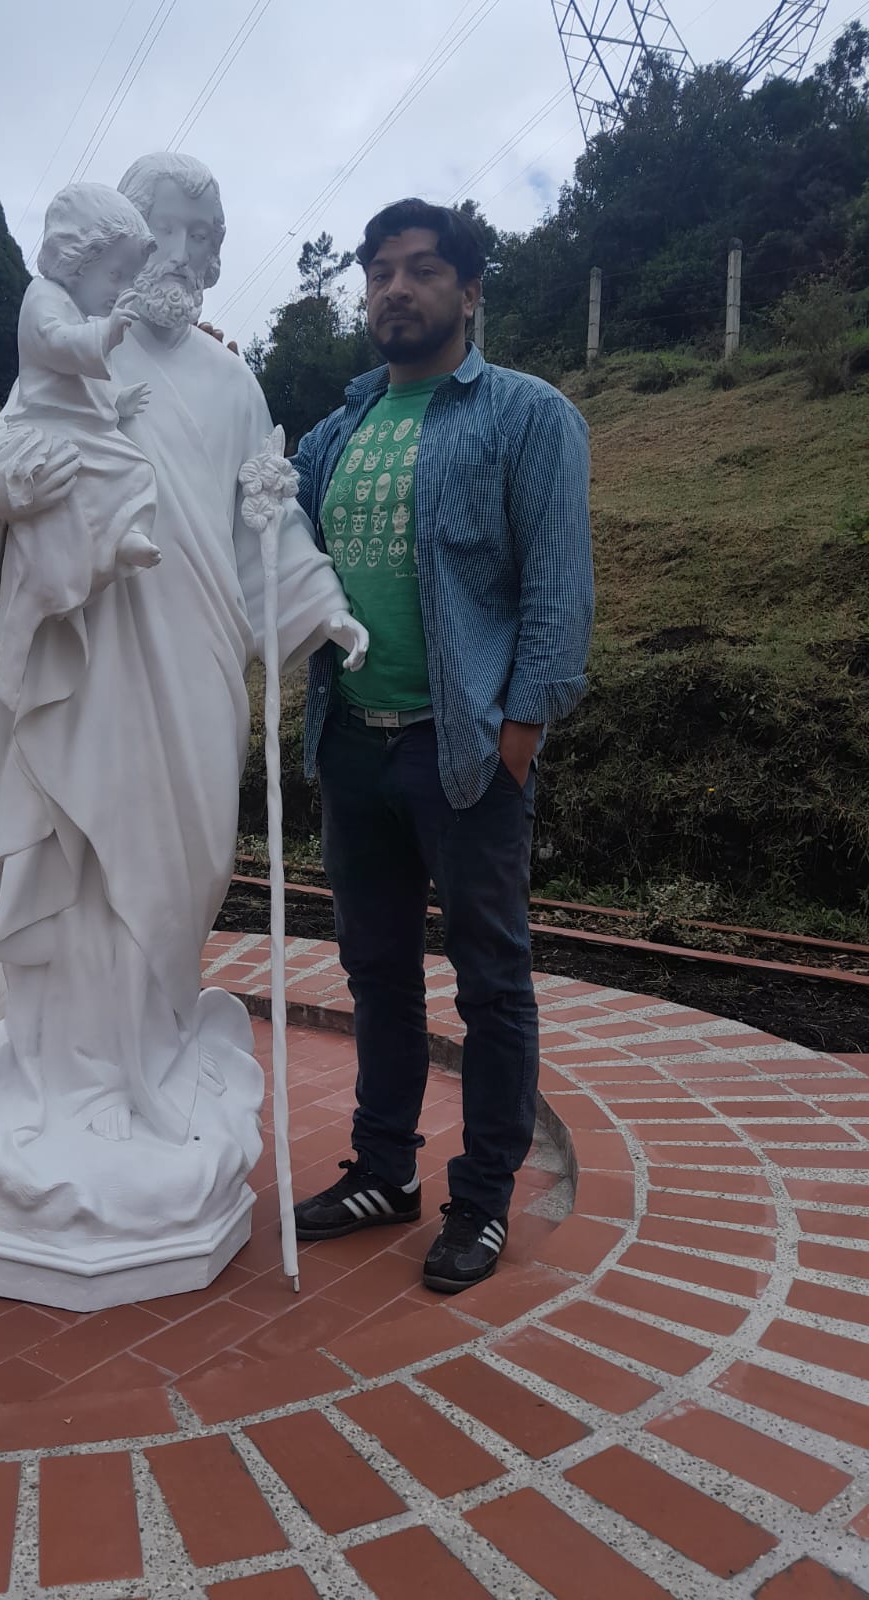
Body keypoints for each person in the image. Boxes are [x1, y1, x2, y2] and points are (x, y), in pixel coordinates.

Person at [0, 153, 368, 1271]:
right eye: (166, 231)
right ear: (123, 237)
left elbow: (268, 525)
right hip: (90, 656)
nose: (183, 257)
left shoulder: (233, 383)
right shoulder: (70, 352)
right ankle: (72, 1079)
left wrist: (322, 605)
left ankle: (157, 1053)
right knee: (81, 865)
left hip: (197, 666)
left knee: (179, 868)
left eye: (201, 238)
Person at [289, 197, 595, 1294]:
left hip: (461, 751)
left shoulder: (526, 416)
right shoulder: (334, 433)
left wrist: (517, 736)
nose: (395, 289)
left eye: (421, 270)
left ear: (468, 291)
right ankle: (384, 1171)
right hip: (352, 745)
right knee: (375, 973)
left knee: (491, 984)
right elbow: (267, 527)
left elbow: (557, 591)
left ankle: (482, 1199)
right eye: (379, 272)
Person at [0, 181, 161, 709]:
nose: (120, 288)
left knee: (134, 469)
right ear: (76, 259)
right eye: (115, 275)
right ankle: (20, 631)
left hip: (77, 429)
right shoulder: (43, 299)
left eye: (128, 278)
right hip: (43, 432)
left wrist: (117, 403)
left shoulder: (74, 309)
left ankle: (122, 538)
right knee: (93, 494)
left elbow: (84, 386)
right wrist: (106, 333)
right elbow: (58, 348)